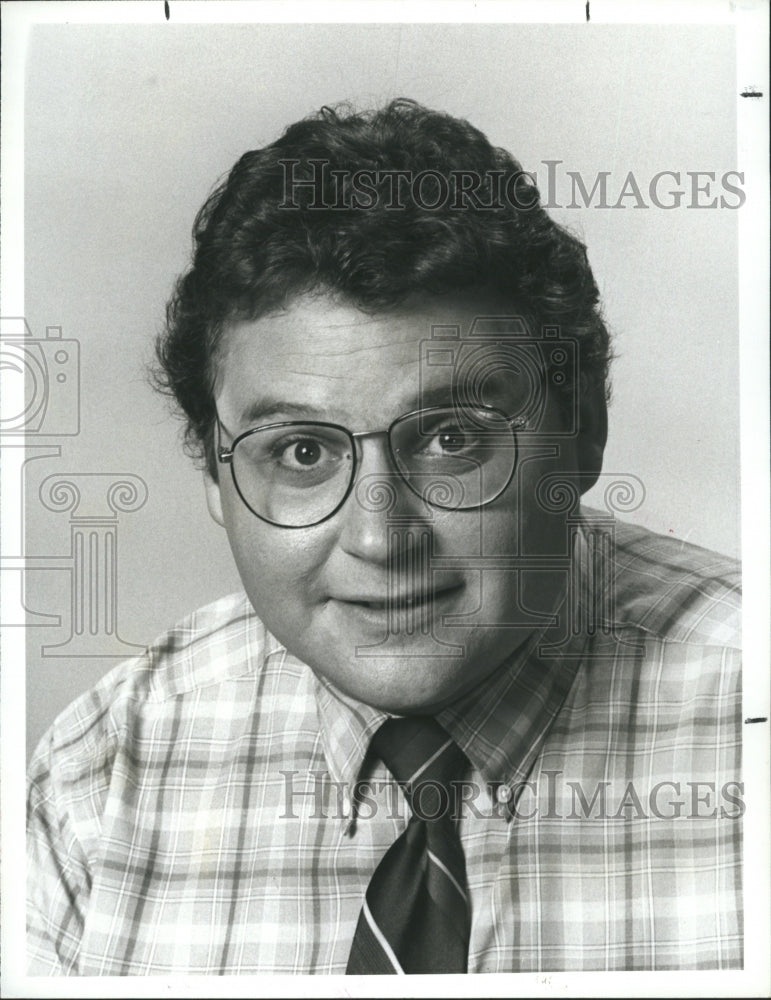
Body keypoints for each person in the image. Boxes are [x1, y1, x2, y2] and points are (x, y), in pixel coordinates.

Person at [27, 99, 741, 975]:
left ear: (582, 433)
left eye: (452, 439)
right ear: (214, 475)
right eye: (300, 451)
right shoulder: (101, 779)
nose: (379, 537)